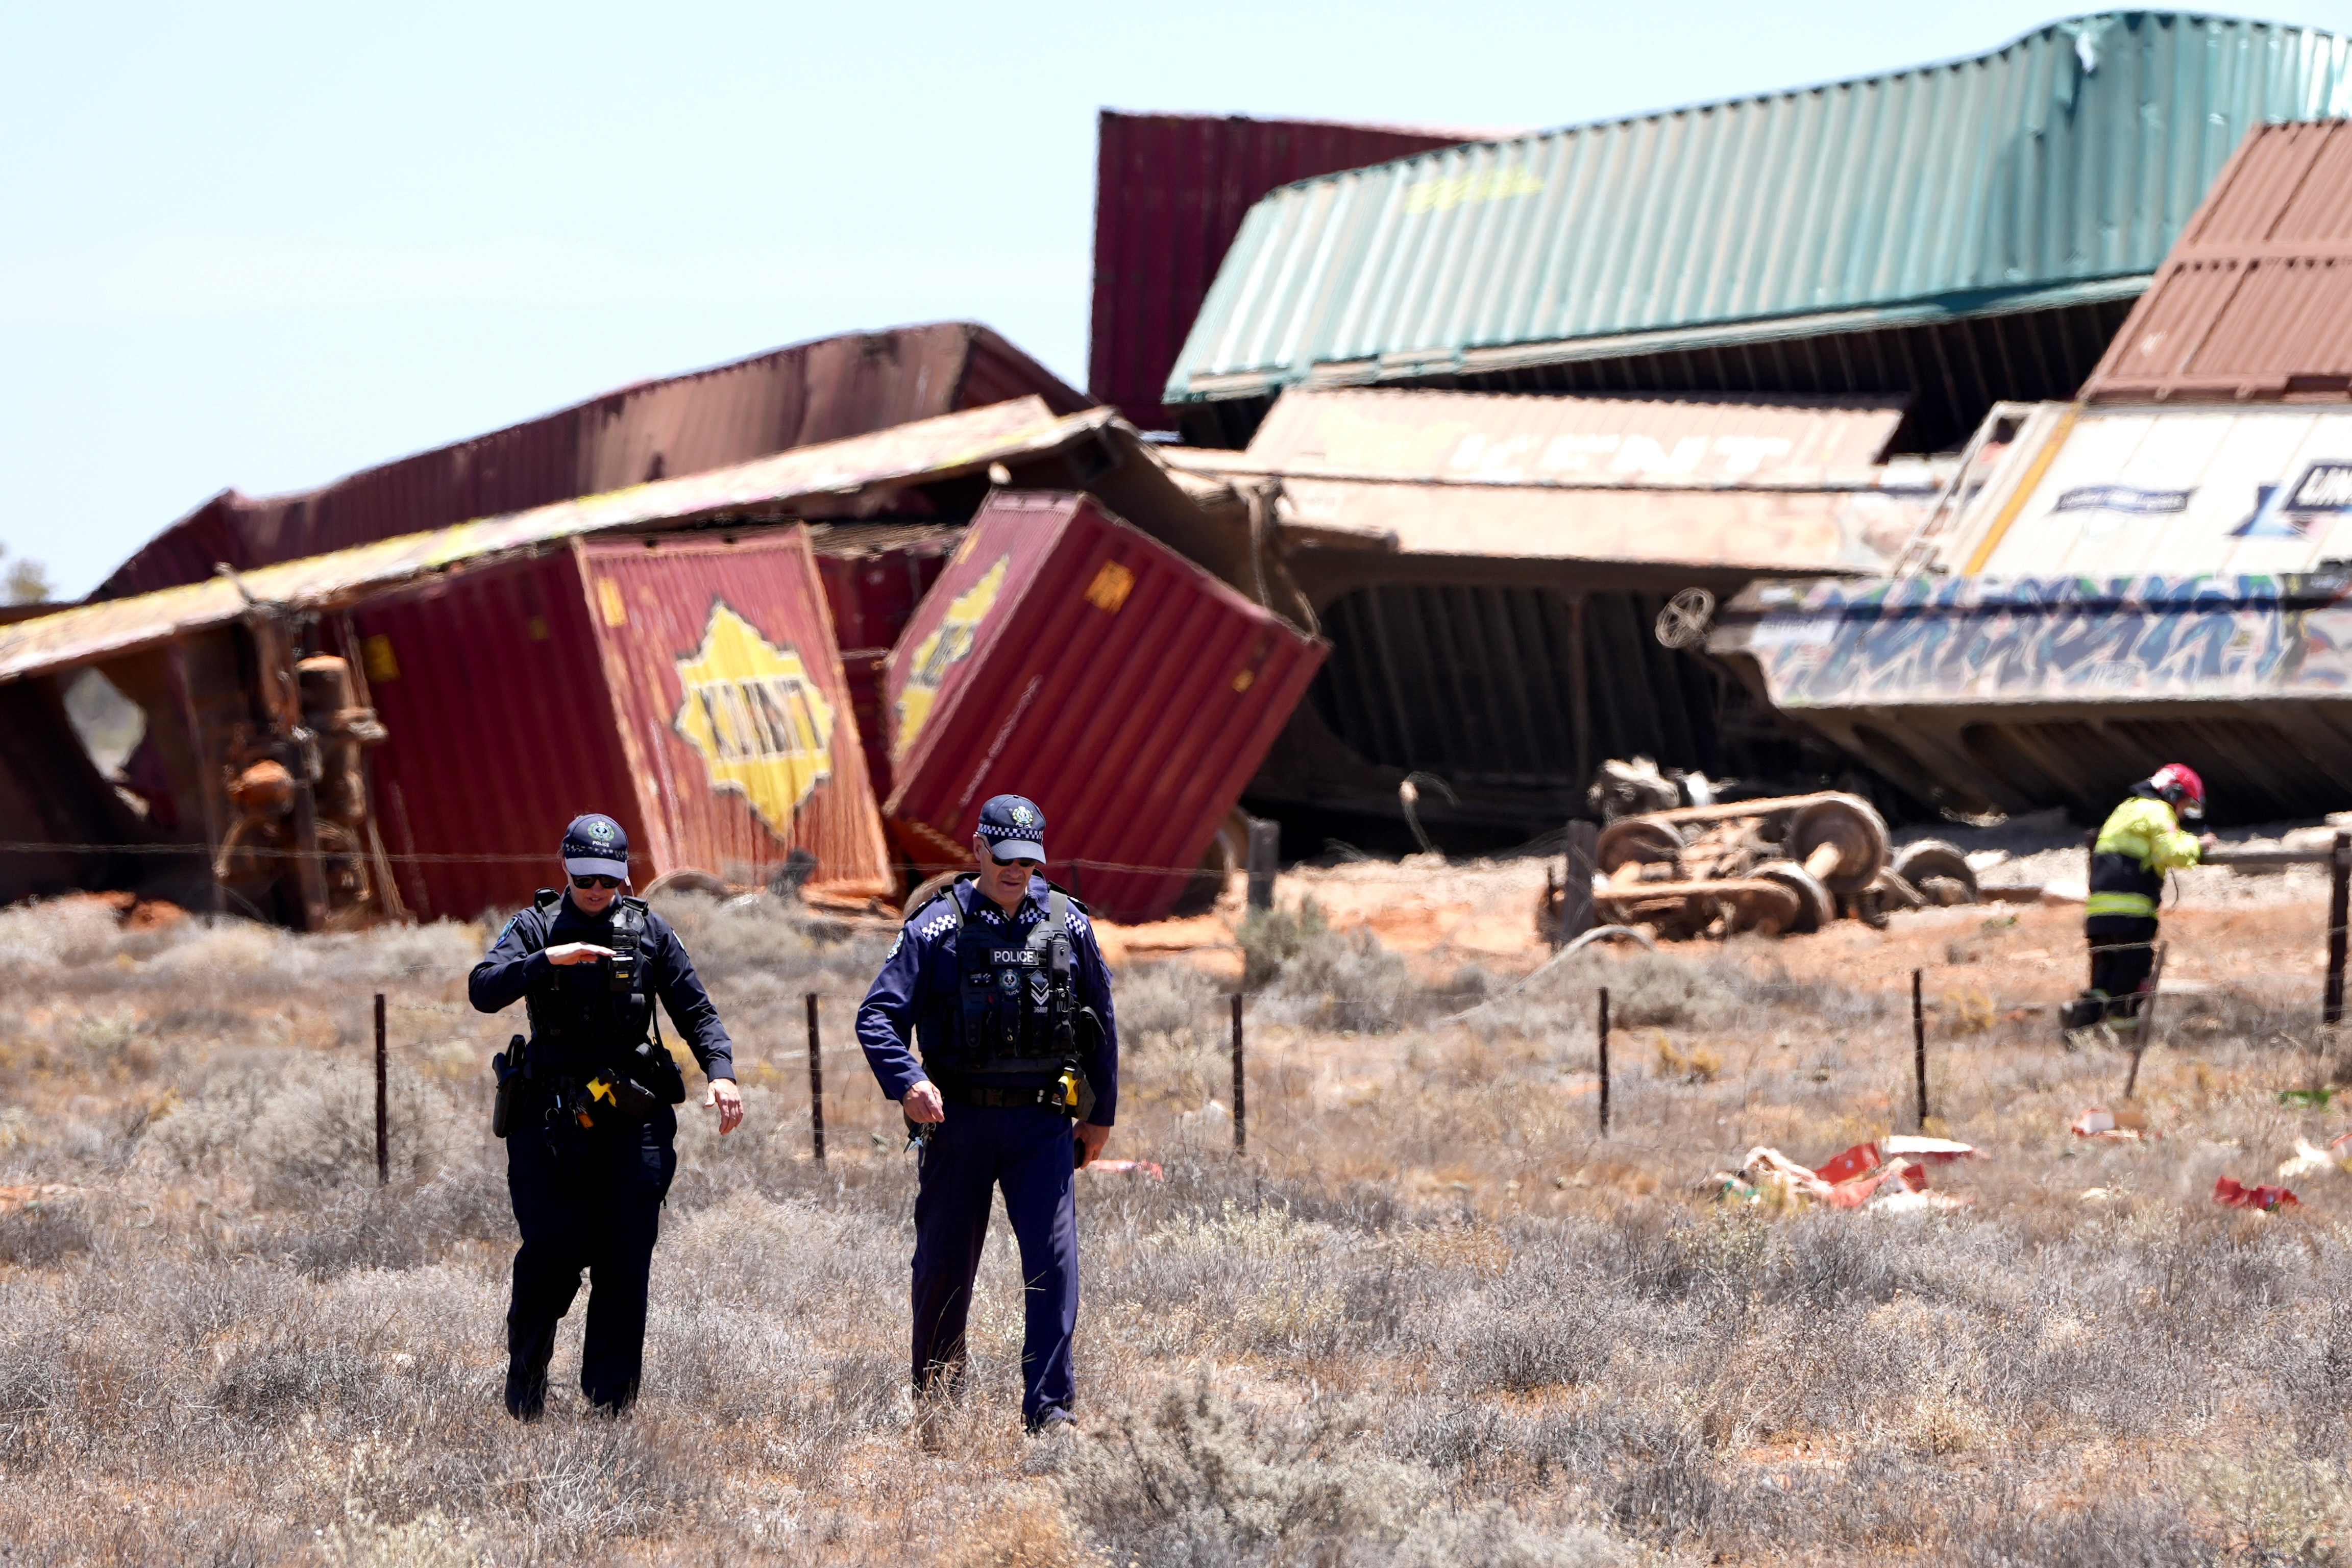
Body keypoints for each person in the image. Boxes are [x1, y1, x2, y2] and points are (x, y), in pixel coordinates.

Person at [855, 794, 1118, 1437]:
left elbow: (1101, 1024)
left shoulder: (1069, 924)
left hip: (1042, 1126)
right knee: (943, 1265)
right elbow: (877, 1017)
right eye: (1005, 859)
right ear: (978, 849)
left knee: (1054, 1268)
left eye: (1029, 862)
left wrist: (1101, 1116)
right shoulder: (934, 928)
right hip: (959, 1126)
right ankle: (939, 1405)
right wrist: (909, 1082)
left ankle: (1051, 1413)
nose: (1017, 872)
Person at [469, 813, 745, 1419]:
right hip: (550, 1118)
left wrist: (720, 1073)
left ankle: (611, 1407)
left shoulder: (648, 931)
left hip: (630, 1117)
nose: (598, 890)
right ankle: (527, 1388)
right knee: (554, 1249)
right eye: (587, 878)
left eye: (611, 880)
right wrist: (547, 961)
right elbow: (483, 988)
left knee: (625, 1257)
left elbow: (696, 1010)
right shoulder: (535, 925)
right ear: (565, 867)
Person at [2065, 765, 2217, 1033]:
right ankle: (2129, 1043)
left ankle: (2080, 1024)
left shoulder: (2127, 808)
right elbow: (2171, 850)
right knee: (2133, 981)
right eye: (2186, 806)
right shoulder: (2159, 812)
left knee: (2107, 976)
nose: (2183, 814)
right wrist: (2198, 845)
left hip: (2101, 915)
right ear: (2173, 793)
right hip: (2132, 914)